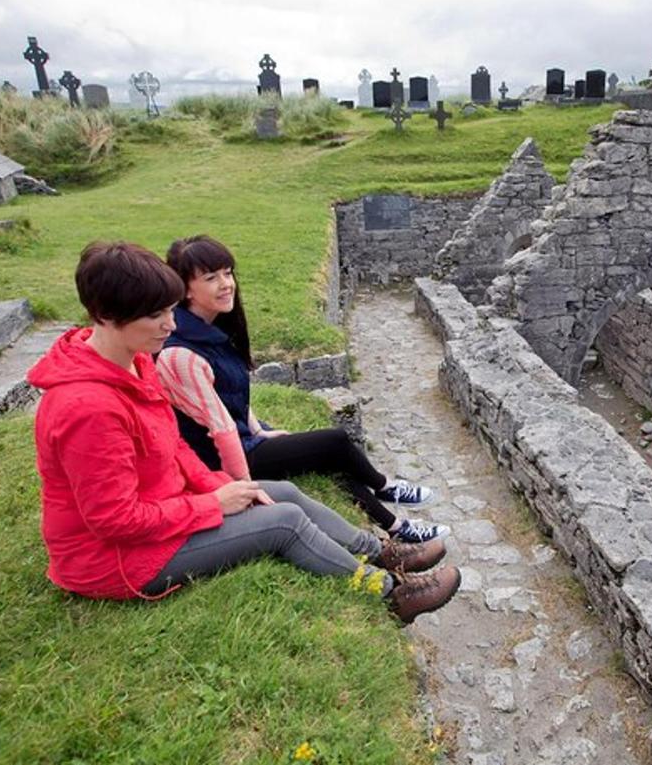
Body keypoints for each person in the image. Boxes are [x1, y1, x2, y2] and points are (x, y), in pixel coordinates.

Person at [28, 241, 459, 623]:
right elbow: (114, 521)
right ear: (106, 315)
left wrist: (221, 486)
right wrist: (212, 503)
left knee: (281, 492)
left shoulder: (135, 363)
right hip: (117, 561)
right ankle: (388, 594)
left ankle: (380, 551)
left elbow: (173, 445)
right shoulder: (87, 408)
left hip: (162, 511)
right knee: (284, 522)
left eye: (169, 311)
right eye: (155, 315)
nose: (171, 325)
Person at [155, 235, 448, 545]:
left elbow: (232, 397)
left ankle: (397, 527)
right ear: (186, 288)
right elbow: (221, 427)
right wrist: (243, 487)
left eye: (228, 273)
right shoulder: (181, 354)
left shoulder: (211, 329)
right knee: (333, 442)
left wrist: (259, 430)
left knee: (327, 462)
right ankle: (386, 486)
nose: (226, 283)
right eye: (211, 277)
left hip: (243, 439)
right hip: (219, 459)